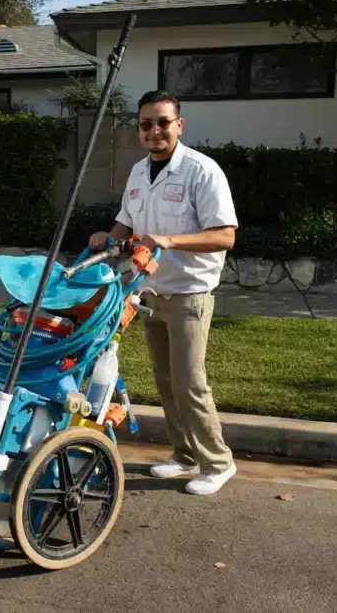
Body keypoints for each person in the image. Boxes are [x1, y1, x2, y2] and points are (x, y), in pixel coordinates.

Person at [88, 89, 239, 496]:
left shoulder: (203, 171)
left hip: (189, 293)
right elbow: (125, 222)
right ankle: (184, 455)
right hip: (148, 291)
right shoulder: (139, 172)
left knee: (190, 382)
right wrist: (109, 237)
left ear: (179, 125)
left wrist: (170, 241)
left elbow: (225, 236)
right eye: (146, 124)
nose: (154, 131)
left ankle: (218, 462)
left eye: (162, 122)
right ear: (138, 129)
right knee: (166, 380)